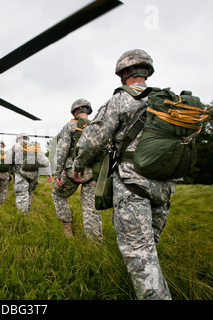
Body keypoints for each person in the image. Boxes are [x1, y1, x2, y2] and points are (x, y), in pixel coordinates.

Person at [72, 49, 175, 300]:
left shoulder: (120, 100)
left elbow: (91, 141)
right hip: (165, 185)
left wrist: (78, 165)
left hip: (132, 183)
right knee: (150, 246)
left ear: (124, 73)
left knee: (140, 254)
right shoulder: (168, 101)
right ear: (147, 71)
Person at [52, 99, 103, 241]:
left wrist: (57, 173)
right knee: (91, 209)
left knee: (57, 194)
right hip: (93, 173)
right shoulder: (97, 126)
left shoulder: (70, 125)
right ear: (88, 111)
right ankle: (94, 244)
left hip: (72, 171)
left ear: (75, 111)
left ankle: (67, 228)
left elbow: (62, 150)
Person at [11, 133, 52, 215]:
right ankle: (28, 209)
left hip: (21, 175)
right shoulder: (35, 147)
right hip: (34, 176)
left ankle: (22, 218)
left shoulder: (16, 147)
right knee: (29, 192)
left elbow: (9, 161)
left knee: (22, 195)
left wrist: (11, 171)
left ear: (18, 139)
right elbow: (46, 162)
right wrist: (49, 174)